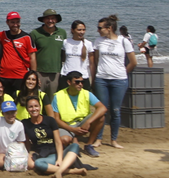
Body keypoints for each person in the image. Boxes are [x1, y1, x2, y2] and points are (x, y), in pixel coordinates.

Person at [87, 14, 136, 155]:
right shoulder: (98, 41)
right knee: (101, 110)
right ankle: (99, 139)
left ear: (109, 28)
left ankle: (114, 140)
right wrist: (94, 78)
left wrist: (123, 74)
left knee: (115, 110)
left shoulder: (123, 41)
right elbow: (95, 62)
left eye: (100, 28)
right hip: (102, 79)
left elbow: (133, 62)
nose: (98, 30)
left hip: (119, 80)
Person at [22, 96, 87, 178]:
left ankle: (59, 171)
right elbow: (27, 143)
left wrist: (59, 159)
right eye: (30, 107)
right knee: (38, 164)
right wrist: (26, 155)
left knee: (75, 146)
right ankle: (71, 171)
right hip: (45, 155)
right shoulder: (25, 123)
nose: (34, 109)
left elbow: (58, 142)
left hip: (57, 152)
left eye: (36, 106)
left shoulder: (50, 120)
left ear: (40, 107)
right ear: (27, 109)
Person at [0, 12, 37, 97]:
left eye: (17, 22)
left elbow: (32, 57)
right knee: (4, 102)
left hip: (21, 76)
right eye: (12, 22)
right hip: (4, 76)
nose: (15, 24)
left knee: (21, 101)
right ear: (7, 23)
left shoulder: (27, 37)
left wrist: (34, 75)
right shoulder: (2, 35)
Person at [51, 71, 107, 146]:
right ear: (69, 82)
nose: (80, 84)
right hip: (66, 125)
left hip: (82, 123)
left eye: (82, 82)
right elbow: (56, 119)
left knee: (101, 117)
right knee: (64, 140)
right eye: (77, 82)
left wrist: (88, 122)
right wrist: (72, 130)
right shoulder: (58, 96)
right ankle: (73, 141)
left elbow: (102, 108)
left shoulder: (86, 93)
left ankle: (89, 145)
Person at [30, 9, 68, 94]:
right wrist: (34, 74)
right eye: (47, 18)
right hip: (40, 72)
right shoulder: (35, 33)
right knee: (38, 98)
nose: (50, 21)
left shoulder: (62, 33)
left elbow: (64, 53)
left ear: (56, 20)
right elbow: (31, 55)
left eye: (53, 18)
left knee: (53, 99)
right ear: (43, 20)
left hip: (56, 72)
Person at [0, 100, 26, 169]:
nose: (10, 115)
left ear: (16, 112)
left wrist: (18, 153)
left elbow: (21, 142)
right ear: (2, 113)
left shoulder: (19, 125)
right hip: (0, 153)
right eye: (7, 113)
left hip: (14, 153)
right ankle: (14, 166)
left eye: (12, 112)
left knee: (30, 164)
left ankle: (12, 166)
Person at [61, 20, 94, 87]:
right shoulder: (66, 42)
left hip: (83, 76)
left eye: (83, 30)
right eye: (79, 30)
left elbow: (92, 63)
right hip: (66, 75)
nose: (82, 32)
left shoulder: (88, 44)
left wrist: (93, 78)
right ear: (72, 30)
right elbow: (63, 58)